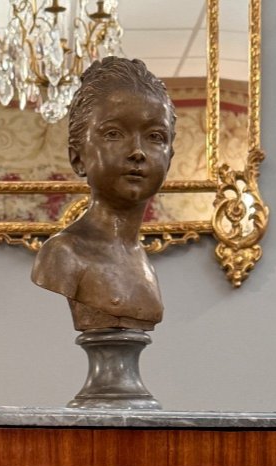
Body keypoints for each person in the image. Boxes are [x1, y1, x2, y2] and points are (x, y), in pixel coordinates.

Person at [32, 57, 176, 332]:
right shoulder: (64, 254)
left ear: (169, 158)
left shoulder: (141, 260)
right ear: (78, 157)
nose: (138, 151)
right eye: (114, 133)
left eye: (155, 136)